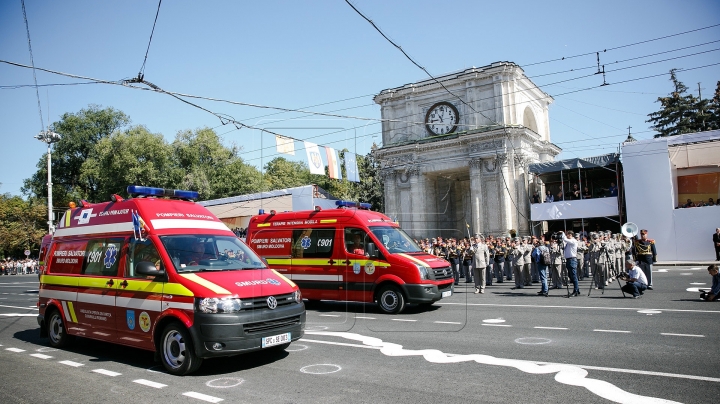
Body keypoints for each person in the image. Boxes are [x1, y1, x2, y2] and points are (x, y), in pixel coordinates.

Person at [560, 230, 581, 297]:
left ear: (570, 235)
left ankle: (575, 291)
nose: (566, 236)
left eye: (567, 234)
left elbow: (565, 239)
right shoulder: (568, 242)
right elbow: (564, 245)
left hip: (572, 259)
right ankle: (577, 289)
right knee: (570, 275)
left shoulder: (573, 241)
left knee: (573, 276)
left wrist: (562, 233)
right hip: (568, 260)